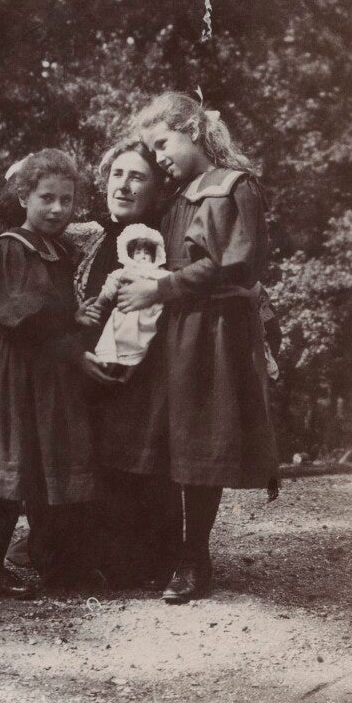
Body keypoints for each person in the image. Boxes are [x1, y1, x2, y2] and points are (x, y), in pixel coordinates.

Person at [117, 92, 279, 603]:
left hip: (213, 331)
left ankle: (195, 557)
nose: (159, 156)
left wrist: (161, 288)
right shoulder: (179, 196)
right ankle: (163, 551)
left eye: (163, 143)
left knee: (202, 441)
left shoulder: (233, 186)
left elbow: (232, 264)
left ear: (191, 129)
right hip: (175, 328)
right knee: (170, 441)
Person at [0, 148, 109, 609]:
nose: (57, 209)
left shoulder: (58, 250)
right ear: (23, 196)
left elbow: (57, 313)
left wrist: (80, 317)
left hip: (44, 374)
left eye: (66, 201)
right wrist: (72, 325)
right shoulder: (12, 245)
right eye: (46, 198)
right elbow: (16, 316)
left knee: (21, 474)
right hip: (11, 372)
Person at [69, 139, 183, 589]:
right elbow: (60, 304)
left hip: (148, 373)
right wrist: (75, 356)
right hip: (83, 369)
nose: (124, 184)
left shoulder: (166, 240)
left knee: (142, 459)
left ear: (156, 188)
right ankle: (87, 556)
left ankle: (149, 563)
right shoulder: (87, 237)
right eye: (117, 174)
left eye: (137, 176)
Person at [92, 223, 167, 381]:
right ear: (130, 255)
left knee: (144, 346)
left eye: (147, 252)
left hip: (149, 317)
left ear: (155, 256)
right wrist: (100, 303)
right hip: (126, 315)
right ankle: (108, 370)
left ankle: (127, 375)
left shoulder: (157, 273)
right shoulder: (124, 271)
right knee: (115, 342)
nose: (143, 256)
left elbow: (168, 280)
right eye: (138, 252)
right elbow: (110, 287)